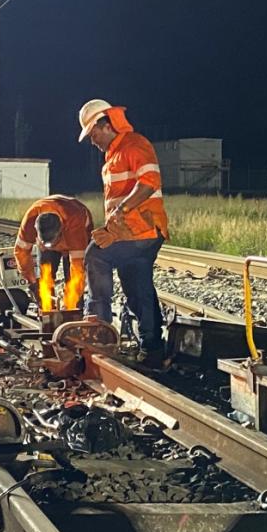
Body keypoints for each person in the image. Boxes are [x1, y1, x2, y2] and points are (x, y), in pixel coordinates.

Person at [78, 99, 169, 366]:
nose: (92, 141)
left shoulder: (134, 144)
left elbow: (150, 182)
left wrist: (122, 210)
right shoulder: (113, 156)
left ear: (105, 126)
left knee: (96, 255)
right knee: (136, 285)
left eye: (93, 134)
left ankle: (100, 327)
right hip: (132, 233)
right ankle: (152, 348)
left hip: (142, 230)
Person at [14, 195, 93, 310]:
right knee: (46, 275)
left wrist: (70, 302)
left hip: (76, 230)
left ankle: (74, 310)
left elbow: (78, 268)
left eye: (53, 243)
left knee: (71, 279)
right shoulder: (30, 220)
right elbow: (21, 253)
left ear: (61, 230)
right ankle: (47, 308)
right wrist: (32, 282)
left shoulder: (74, 224)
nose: (52, 246)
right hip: (57, 232)